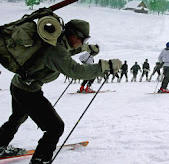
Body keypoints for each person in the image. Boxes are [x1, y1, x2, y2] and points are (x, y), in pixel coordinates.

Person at [0, 19, 122, 163]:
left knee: (17, 117)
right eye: (83, 39)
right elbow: (75, 71)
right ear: (74, 36)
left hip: (18, 85)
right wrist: (103, 66)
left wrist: (86, 49)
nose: (83, 42)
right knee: (55, 127)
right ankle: (39, 161)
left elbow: (67, 51)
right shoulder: (55, 50)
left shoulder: (56, 41)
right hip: (28, 90)